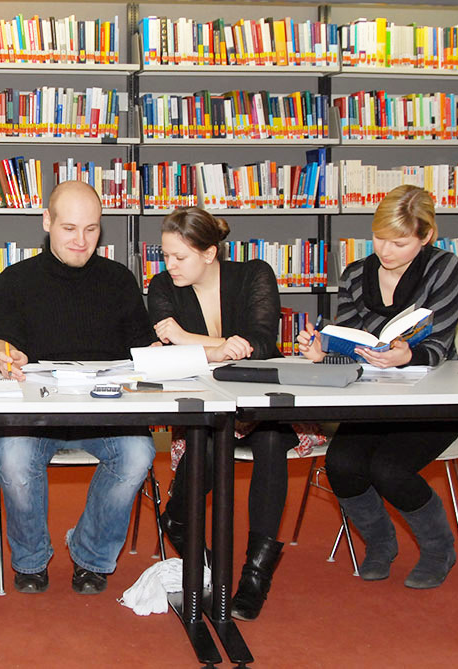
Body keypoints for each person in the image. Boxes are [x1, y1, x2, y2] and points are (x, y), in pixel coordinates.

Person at [0, 180, 158, 595]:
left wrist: (166, 353)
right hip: (35, 414)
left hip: (106, 411)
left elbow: (141, 345)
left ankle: (91, 554)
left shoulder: (118, 280)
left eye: (92, 229)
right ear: (47, 222)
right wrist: (2, 355)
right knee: (14, 455)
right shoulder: (15, 279)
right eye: (69, 228)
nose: (81, 240)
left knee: (137, 453)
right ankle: (31, 559)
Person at [297, 184, 458, 589]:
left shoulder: (444, 267)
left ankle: (439, 549)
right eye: (379, 238)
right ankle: (381, 543)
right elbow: (351, 346)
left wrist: (408, 356)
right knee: (341, 465)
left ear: (426, 237)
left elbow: (439, 344)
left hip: (435, 396)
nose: (386, 251)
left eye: (400, 242)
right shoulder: (356, 274)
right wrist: (323, 354)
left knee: (388, 468)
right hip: (374, 394)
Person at [147, 206, 299, 621]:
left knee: (271, 442)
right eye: (165, 255)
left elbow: (261, 346)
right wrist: (217, 348)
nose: (169, 265)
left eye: (180, 257)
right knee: (209, 444)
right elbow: (161, 344)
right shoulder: (162, 285)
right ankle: (178, 521)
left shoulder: (255, 275)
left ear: (210, 253)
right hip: (206, 403)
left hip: (259, 401)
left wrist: (187, 341)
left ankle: (255, 575)